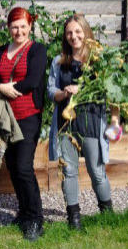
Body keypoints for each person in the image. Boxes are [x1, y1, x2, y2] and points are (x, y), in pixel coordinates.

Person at [47, 14, 118, 230]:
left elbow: (114, 95)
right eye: (69, 32)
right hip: (66, 125)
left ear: (86, 32)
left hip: (92, 123)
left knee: (96, 171)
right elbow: (51, 91)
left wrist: (114, 122)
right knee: (69, 171)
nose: (73, 36)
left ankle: (107, 213)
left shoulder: (100, 61)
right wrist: (63, 93)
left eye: (78, 31)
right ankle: (74, 218)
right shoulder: (59, 62)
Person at [0, 7, 47, 241]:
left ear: (30, 27)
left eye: (23, 26)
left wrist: (8, 89)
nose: (19, 30)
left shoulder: (37, 50)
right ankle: (24, 212)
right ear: (8, 28)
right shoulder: (1, 51)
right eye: (14, 26)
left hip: (27, 116)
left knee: (24, 166)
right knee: (12, 166)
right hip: (5, 116)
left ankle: (36, 219)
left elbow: (33, 80)